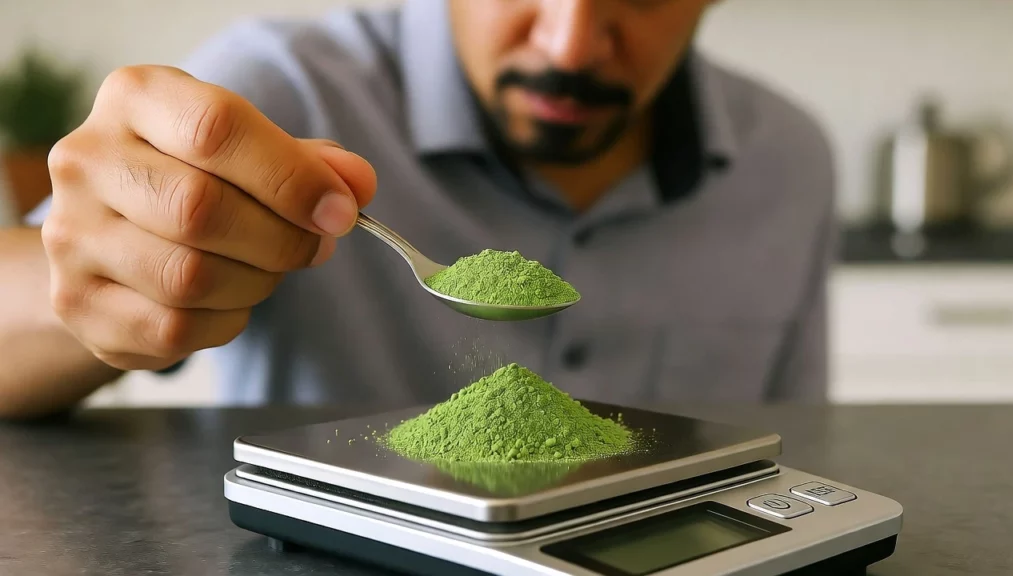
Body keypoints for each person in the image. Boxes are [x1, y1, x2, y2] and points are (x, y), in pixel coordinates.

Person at [0, 0, 835, 419]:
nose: (571, 44)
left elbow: (791, 449)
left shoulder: (789, 162)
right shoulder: (279, 96)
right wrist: (88, 284)